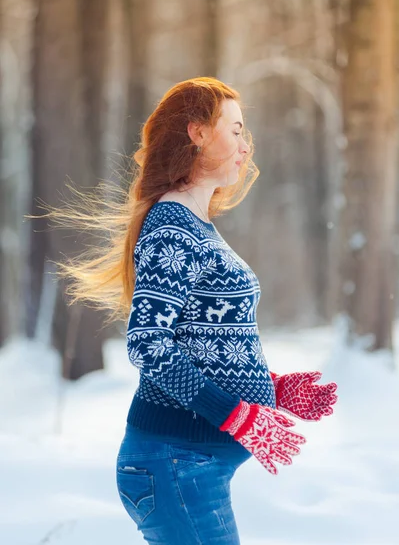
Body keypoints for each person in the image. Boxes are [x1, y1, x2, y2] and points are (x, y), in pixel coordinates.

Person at [37, 77, 338, 544]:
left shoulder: (194, 224)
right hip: (174, 462)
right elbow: (149, 345)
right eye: (235, 130)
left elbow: (200, 343)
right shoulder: (173, 228)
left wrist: (269, 392)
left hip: (187, 465)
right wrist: (238, 414)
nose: (246, 145)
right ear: (197, 133)